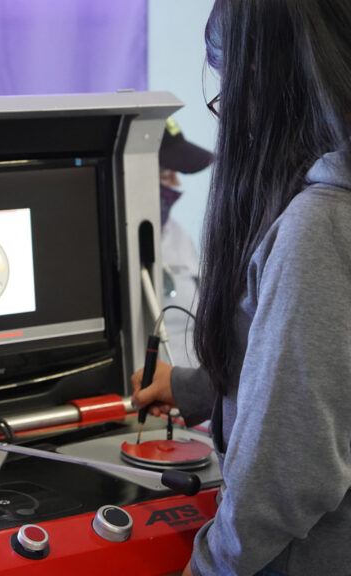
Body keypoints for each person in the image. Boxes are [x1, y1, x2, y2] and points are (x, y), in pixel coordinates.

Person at [132, 1, 351, 574]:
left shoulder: (319, 226)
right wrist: (197, 387)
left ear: (262, 77)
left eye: (224, 87)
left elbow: (284, 476)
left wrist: (208, 567)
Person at [159, 117, 213, 367]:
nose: (177, 186)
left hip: (190, 394)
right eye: (167, 174)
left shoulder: (178, 234)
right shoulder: (112, 248)